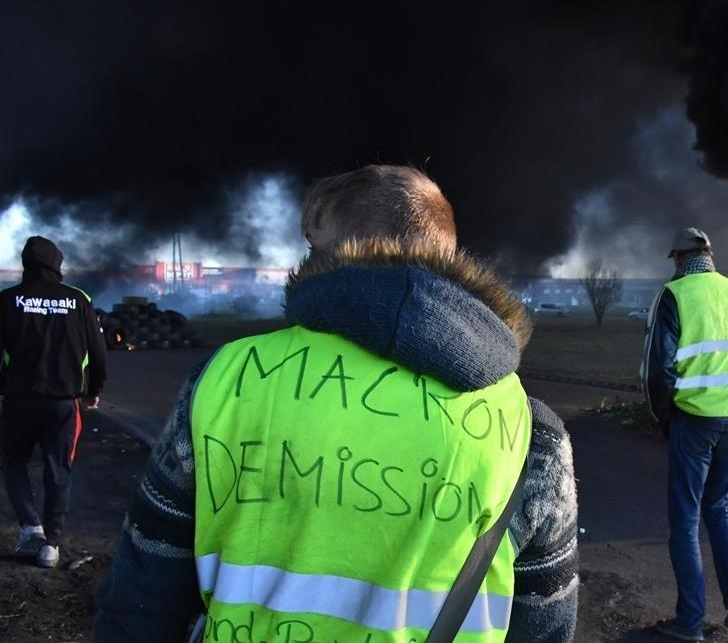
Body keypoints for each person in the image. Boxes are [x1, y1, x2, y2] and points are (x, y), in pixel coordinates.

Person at [94, 165, 579, 642]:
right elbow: (546, 622)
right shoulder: (531, 431)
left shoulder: (228, 380)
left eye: (312, 245)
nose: (302, 264)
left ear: (340, 250)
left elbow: (144, 589)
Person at [642, 227, 728, 641]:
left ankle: (690, 622)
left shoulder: (676, 295)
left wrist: (664, 417)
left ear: (678, 257)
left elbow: (659, 367)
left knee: (686, 521)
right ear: (710, 253)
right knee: (720, 509)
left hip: (694, 420)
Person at [1, 236, 107, 569]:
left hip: (18, 400)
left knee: (13, 461)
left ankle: (31, 526)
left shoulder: (7, 300)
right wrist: (93, 389)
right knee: (58, 470)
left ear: (25, 265)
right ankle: (52, 545)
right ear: (57, 265)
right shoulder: (79, 300)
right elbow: (97, 351)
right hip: (64, 403)